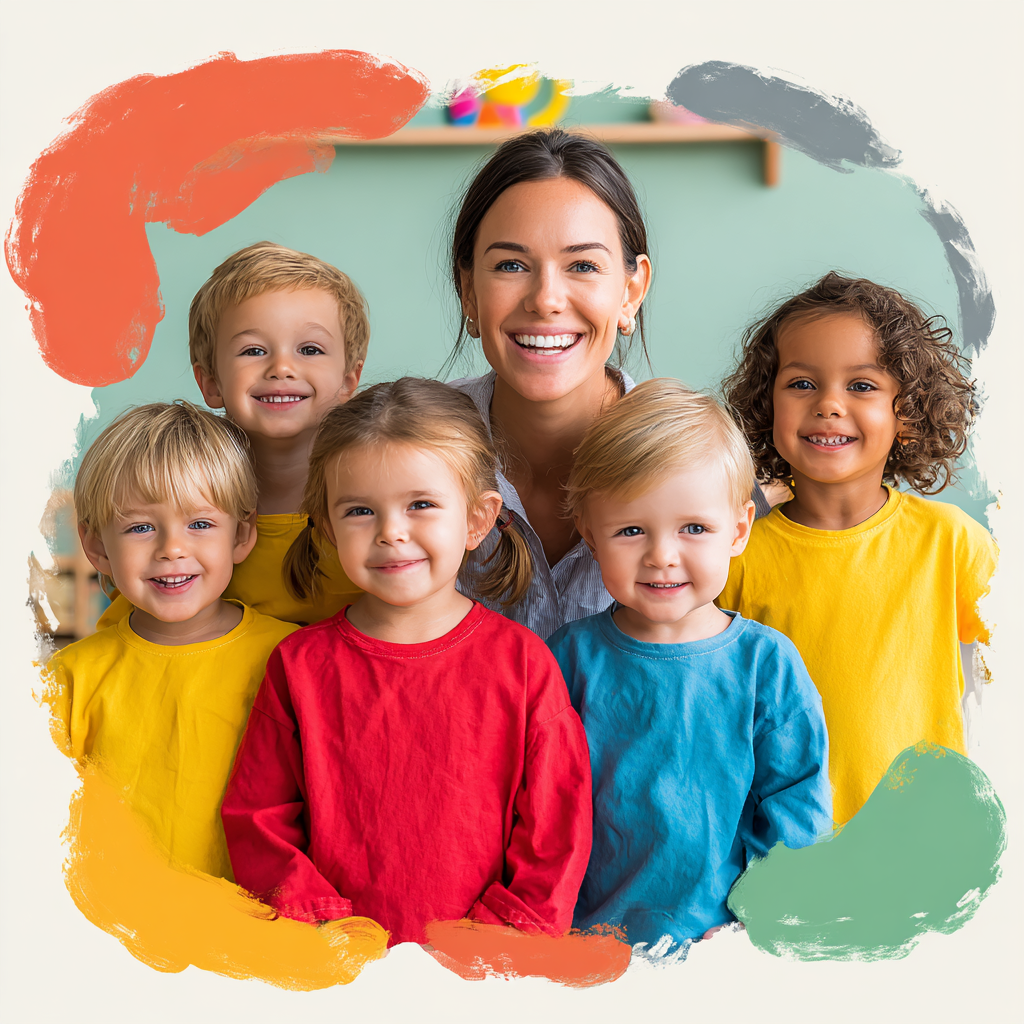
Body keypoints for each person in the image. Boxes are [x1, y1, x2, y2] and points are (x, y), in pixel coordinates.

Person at [222, 378, 592, 946]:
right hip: (336, 973)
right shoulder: (298, 665)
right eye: (360, 511)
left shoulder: (523, 664)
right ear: (325, 524)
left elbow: (554, 837)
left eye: (421, 505)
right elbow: (260, 821)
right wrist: (326, 936)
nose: (391, 533)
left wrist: (488, 950)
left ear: (477, 519)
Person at [447, 127, 775, 639]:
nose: (546, 299)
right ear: (468, 289)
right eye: (511, 265)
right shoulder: (409, 448)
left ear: (631, 289)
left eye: (582, 265)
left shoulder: (703, 462)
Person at [547, 379, 831, 954]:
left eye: (693, 528)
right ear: (590, 537)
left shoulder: (765, 664)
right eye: (630, 531)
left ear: (739, 529)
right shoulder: (568, 658)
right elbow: (540, 807)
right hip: (587, 944)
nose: (662, 555)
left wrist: (766, 921)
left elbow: (796, 807)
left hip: (722, 948)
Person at [719, 272, 998, 825]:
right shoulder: (735, 555)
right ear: (765, 404)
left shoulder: (953, 542)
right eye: (801, 384)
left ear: (908, 412)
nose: (828, 405)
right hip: (784, 851)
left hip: (921, 848)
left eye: (862, 386)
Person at [43, 402, 298, 880]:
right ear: (97, 546)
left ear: (242, 533)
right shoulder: (68, 678)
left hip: (252, 928)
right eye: (140, 527)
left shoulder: (290, 658)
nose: (172, 549)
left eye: (200, 524)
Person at [98, 241, 367, 628]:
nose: (282, 368)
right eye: (253, 351)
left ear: (348, 380)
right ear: (210, 382)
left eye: (309, 349)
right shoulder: (177, 495)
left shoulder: (377, 499)